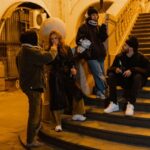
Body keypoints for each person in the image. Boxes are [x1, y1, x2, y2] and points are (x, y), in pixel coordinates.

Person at [16, 30, 57, 147]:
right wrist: (53, 48)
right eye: (36, 37)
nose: (38, 39)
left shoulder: (22, 51)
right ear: (31, 39)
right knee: (34, 113)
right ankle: (30, 140)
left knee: (37, 109)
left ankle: (34, 133)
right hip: (33, 86)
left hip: (30, 85)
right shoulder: (30, 51)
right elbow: (48, 57)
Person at [48, 30, 86, 132]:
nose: (54, 40)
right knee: (57, 99)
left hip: (67, 75)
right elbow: (49, 63)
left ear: (60, 38)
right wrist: (53, 51)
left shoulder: (66, 48)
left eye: (55, 38)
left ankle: (77, 113)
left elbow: (71, 60)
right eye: (52, 39)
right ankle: (57, 123)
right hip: (56, 76)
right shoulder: (49, 50)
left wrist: (73, 68)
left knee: (77, 92)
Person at [104, 36, 150, 116]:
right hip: (124, 80)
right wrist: (115, 69)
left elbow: (148, 71)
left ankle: (130, 104)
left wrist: (133, 70)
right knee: (111, 75)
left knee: (138, 76)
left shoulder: (141, 57)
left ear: (131, 47)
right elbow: (109, 69)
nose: (123, 46)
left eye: (125, 45)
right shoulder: (120, 56)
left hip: (135, 81)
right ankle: (114, 103)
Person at [76, 6, 108, 99]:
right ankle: (102, 91)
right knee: (99, 74)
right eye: (93, 15)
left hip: (100, 55)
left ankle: (98, 91)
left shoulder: (97, 27)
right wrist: (90, 46)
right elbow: (79, 40)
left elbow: (103, 38)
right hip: (91, 56)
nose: (95, 16)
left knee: (101, 74)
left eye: (96, 15)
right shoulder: (84, 27)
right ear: (89, 16)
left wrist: (103, 28)